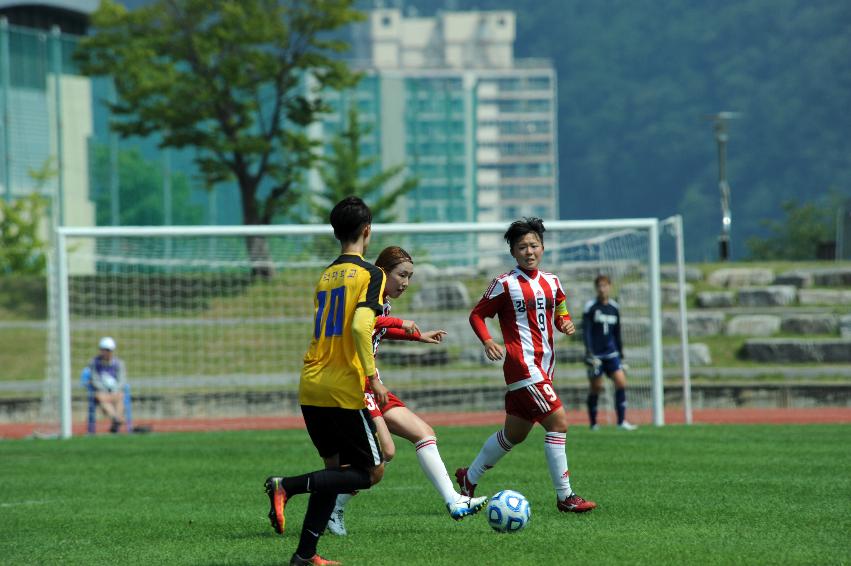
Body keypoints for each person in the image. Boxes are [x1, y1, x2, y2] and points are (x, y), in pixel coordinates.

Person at [326, 246, 488, 536]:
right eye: (401, 275)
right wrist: (401, 323)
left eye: (410, 277)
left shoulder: (383, 300)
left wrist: (418, 336)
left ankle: (453, 500)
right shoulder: (369, 293)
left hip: (373, 386)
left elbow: (380, 329)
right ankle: (328, 506)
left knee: (424, 433)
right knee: (377, 461)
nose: (405, 283)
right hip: (356, 386)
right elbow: (364, 324)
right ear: (382, 272)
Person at [264, 196, 389, 566]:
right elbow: (359, 325)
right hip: (342, 387)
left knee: (333, 472)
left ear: (337, 233)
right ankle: (285, 485)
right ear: (367, 231)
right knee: (371, 471)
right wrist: (372, 377)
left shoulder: (325, 275)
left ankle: (305, 555)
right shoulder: (372, 274)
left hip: (311, 382)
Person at [455, 217, 597, 514]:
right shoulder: (504, 284)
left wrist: (565, 322)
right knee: (558, 423)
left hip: (544, 368)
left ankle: (469, 478)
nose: (528, 251)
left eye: (533, 245)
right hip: (522, 366)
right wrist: (488, 341)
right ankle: (565, 496)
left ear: (542, 248)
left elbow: (560, 307)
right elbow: (477, 315)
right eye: (522, 247)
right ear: (513, 252)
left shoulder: (552, 281)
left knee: (514, 435)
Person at [583, 274, 638, 431]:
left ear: (610, 287)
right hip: (596, 355)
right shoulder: (591, 307)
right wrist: (589, 353)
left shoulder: (614, 308)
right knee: (596, 387)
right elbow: (586, 332)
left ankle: (621, 421)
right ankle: (593, 423)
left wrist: (621, 354)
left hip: (612, 354)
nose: (602, 289)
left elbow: (617, 333)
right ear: (596, 288)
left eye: (605, 285)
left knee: (621, 382)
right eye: (599, 286)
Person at [87, 336, 127, 433]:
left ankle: (115, 422)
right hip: (102, 392)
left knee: (120, 396)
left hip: (115, 391)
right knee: (101, 397)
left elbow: (122, 380)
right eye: (104, 350)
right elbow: (94, 379)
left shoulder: (118, 363)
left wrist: (114, 389)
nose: (106, 353)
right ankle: (117, 419)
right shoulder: (94, 363)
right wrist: (105, 389)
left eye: (108, 350)